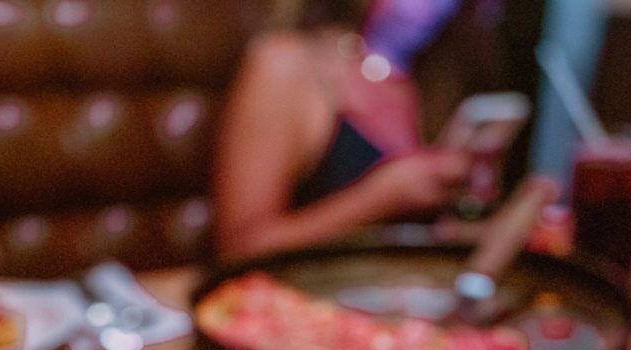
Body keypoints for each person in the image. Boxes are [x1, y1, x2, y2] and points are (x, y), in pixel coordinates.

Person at [212, 0, 505, 263]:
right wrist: (378, 200)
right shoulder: (287, 65)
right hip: (300, 303)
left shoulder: (434, 86)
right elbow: (240, 248)